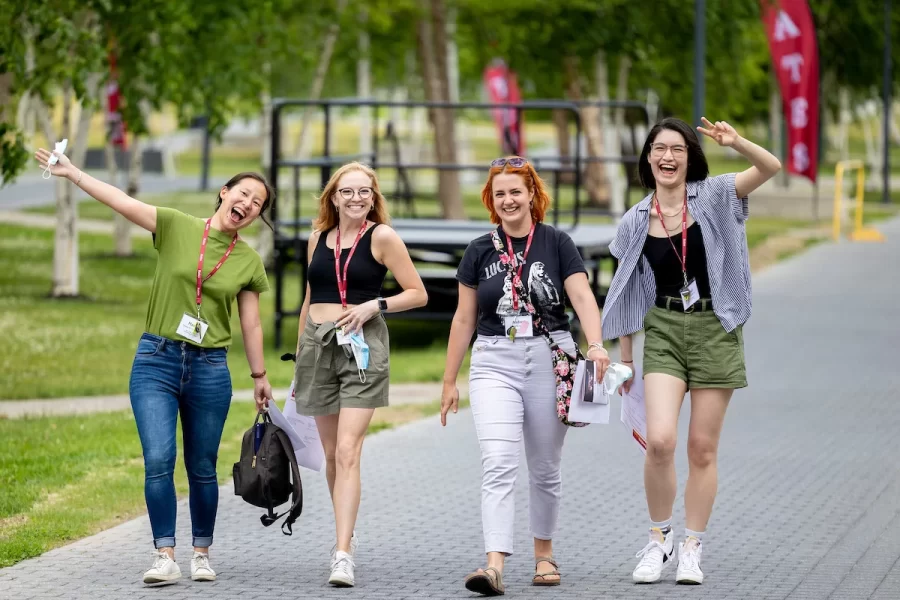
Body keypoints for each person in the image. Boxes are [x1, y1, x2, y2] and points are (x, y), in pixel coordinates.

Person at [34, 148, 277, 585]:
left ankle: (201, 553)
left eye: (257, 203)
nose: (248, 205)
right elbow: (119, 202)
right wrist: (73, 174)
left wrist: (259, 377)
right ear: (224, 194)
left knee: (202, 465)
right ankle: (164, 553)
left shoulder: (248, 262)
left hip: (210, 368)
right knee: (159, 458)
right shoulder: (175, 226)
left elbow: (252, 322)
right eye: (243, 194)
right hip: (156, 361)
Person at [601, 117, 781, 585]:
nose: (668, 157)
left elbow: (770, 167)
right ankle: (658, 539)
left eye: (677, 149)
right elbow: (625, 291)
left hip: (714, 326)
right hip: (661, 328)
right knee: (660, 440)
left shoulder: (717, 195)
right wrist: (624, 358)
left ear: (689, 157)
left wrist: (736, 141)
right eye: (659, 148)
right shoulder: (635, 220)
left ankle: (692, 546)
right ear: (647, 158)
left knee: (702, 448)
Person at [440, 156, 610, 596]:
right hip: (494, 360)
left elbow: (581, 297)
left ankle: (544, 554)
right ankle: (494, 564)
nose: (508, 200)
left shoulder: (556, 242)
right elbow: (463, 319)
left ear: (533, 194)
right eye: (500, 194)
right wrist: (448, 379)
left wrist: (594, 344)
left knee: (545, 468)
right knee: (498, 461)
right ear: (491, 201)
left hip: (550, 357)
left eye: (516, 191)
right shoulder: (479, 249)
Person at [291, 162, 427, 587]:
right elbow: (309, 298)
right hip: (317, 345)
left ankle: (343, 552)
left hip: (362, 348)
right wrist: (299, 357)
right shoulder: (318, 238)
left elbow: (418, 293)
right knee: (331, 456)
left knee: (349, 451)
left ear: (373, 196)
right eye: (347, 192)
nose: (355, 199)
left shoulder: (382, 237)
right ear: (333, 197)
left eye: (364, 192)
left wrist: (375, 305)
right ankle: (343, 534)